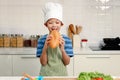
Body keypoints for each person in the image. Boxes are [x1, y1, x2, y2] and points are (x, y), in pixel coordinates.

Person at [36, 2, 74, 76]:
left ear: (61, 24)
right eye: (50, 23)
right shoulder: (41, 40)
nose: (54, 25)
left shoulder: (66, 40)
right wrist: (45, 47)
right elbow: (43, 63)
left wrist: (62, 49)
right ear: (46, 24)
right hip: (46, 76)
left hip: (61, 76)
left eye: (57, 22)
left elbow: (67, 62)